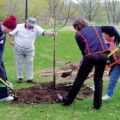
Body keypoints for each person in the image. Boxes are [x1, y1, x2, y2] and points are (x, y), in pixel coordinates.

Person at [58, 17, 120, 109]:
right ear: (85, 23)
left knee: (79, 79)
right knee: (98, 80)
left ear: (76, 27)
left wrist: (85, 62)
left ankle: (67, 101)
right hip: (103, 55)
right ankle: (97, 105)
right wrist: (118, 38)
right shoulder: (96, 27)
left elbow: (83, 51)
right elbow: (111, 28)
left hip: (91, 56)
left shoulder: (77, 35)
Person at [8, 17, 56, 83]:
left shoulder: (36, 27)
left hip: (30, 49)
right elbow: (10, 33)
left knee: (30, 62)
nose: (31, 26)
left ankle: (30, 78)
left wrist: (51, 33)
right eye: (30, 25)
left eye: (32, 25)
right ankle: (20, 78)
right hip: (18, 48)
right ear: (26, 22)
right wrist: (10, 41)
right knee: (19, 63)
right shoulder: (18, 26)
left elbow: (43, 32)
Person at [0, 15, 17, 101]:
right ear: (7, 27)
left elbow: (1, 48)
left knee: (2, 71)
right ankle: (2, 96)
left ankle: (5, 85)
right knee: (1, 74)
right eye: (10, 30)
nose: (10, 32)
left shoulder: (3, 32)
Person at [102, 34, 120, 100]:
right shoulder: (109, 42)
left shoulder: (117, 39)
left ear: (109, 35)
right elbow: (109, 54)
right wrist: (107, 63)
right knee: (113, 78)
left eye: (104, 35)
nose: (103, 36)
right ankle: (108, 95)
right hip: (117, 63)